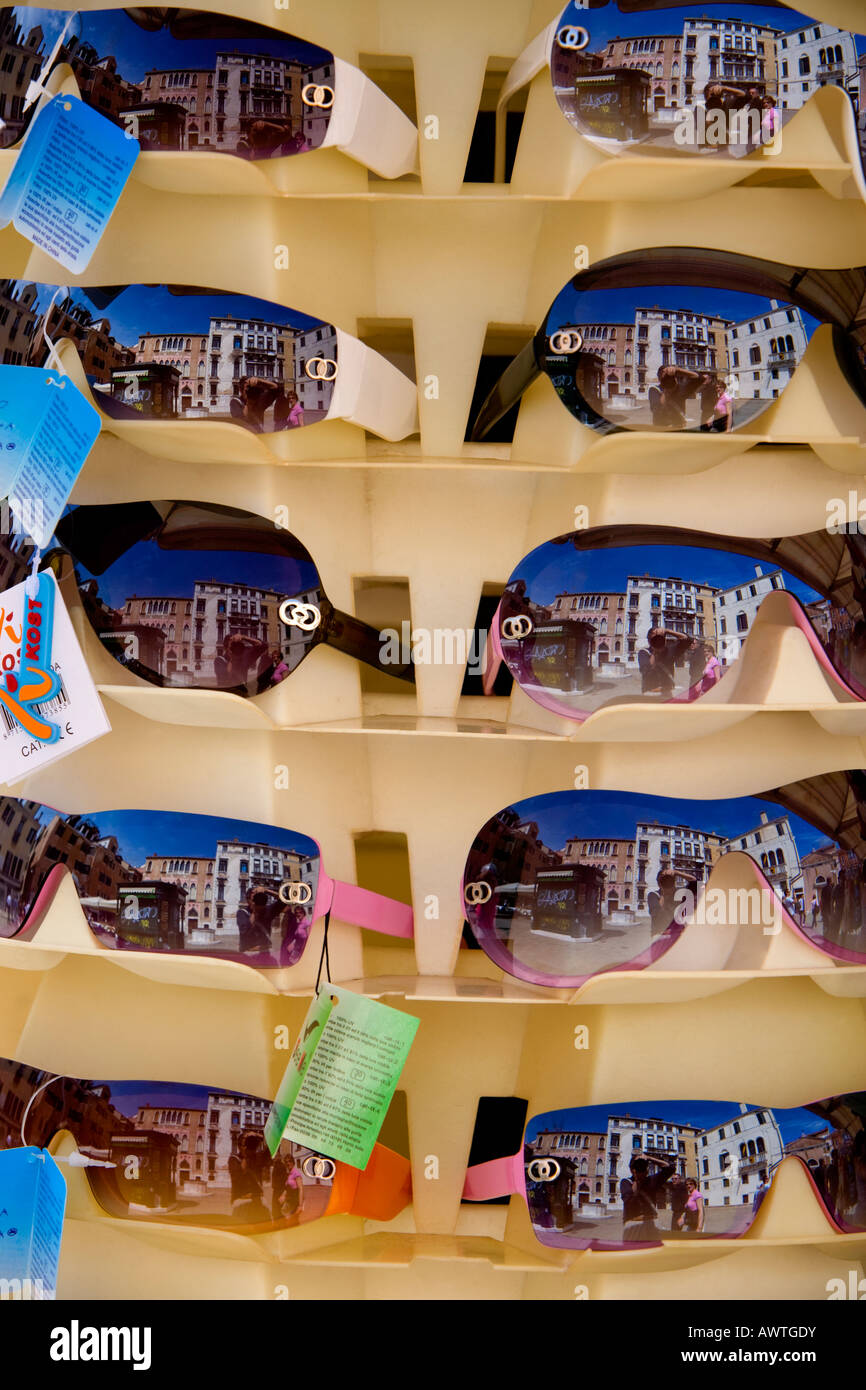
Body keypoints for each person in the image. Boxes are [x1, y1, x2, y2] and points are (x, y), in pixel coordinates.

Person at [620, 1155, 675, 1241]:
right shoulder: (626, 1182)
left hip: (651, 1223)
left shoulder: (652, 1180)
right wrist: (637, 1180)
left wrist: (650, 1158)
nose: (641, 1167)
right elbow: (628, 1202)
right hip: (634, 1224)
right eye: (637, 1165)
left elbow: (670, 1168)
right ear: (631, 1169)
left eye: (643, 1165)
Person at [228, 1135, 270, 1223]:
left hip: (257, 1202)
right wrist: (244, 1165)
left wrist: (262, 1138)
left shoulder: (255, 1158)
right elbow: (236, 1178)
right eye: (244, 1145)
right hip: (242, 1202)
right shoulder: (234, 1160)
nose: (247, 1148)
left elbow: (267, 1154)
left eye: (249, 1146)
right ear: (239, 1147)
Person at [236, 884, 283, 955]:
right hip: (249, 954)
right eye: (254, 897)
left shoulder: (268, 910)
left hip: (265, 953)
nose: (256, 900)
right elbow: (244, 931)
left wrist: (266, 890)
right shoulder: (242, 913)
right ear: (248, 899)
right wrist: (255, 911)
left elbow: (284, 900)